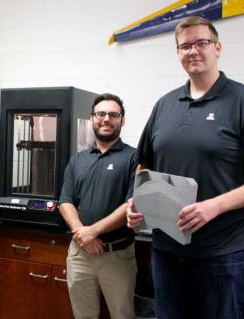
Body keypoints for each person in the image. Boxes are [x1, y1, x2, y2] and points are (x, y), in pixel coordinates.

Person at [127, 16, 244, 319]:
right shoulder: (165, 105)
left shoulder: (240, 100)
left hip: (223, 253)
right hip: (167, 252)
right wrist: (135, 203)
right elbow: (144, 164)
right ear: (177, 53)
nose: (193, 51)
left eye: (201, 43)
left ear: (217, 47)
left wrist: (214, 207)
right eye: (185, 45)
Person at [59, 93, 137, 319]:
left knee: (122, 315)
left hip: (117, 256)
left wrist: (93, 231)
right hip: (79, 255)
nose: (106, 119)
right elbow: (66, 202)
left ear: (122, 120)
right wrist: (83, 235)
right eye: (100, 114)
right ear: (91, 118)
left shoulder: (134, 158)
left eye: (113, 115)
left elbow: (131, 205)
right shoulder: (78, 159)